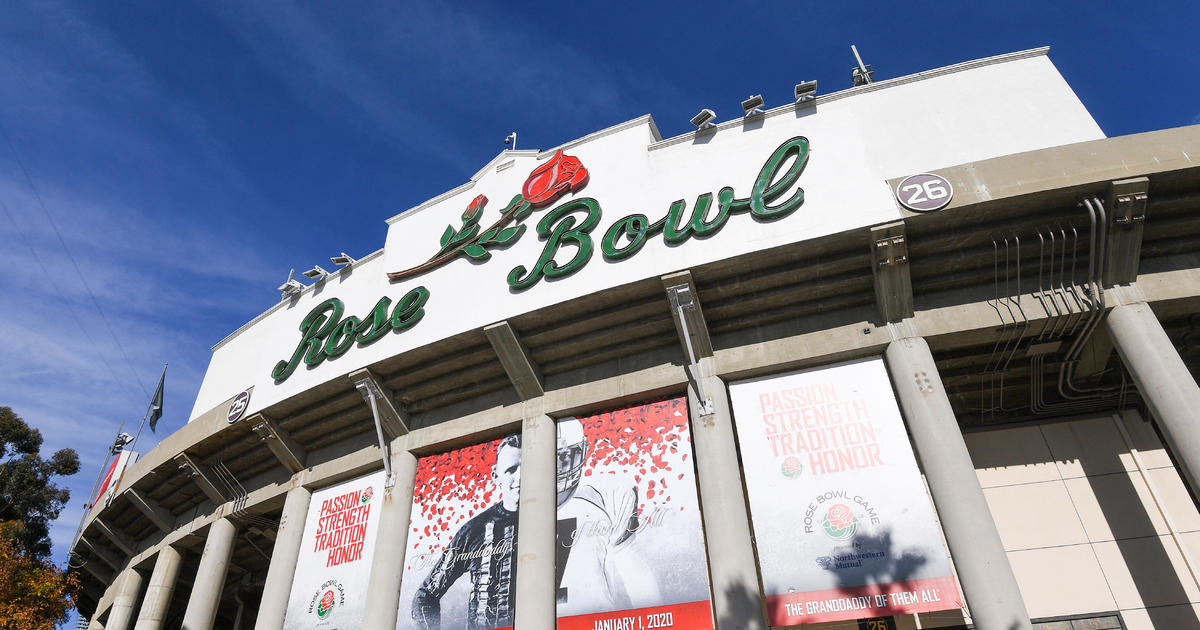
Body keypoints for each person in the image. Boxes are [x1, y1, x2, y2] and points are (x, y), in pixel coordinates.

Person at [412, 434, 520, 630]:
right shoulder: (473, 530)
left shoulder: (564, 513)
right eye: (512, 469)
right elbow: (425, 597)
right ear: (496, 477)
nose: (520, 476)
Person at [555, 418, 661, 616]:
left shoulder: (604, 492)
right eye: (556, 457)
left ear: (584, 450)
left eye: (570, 454)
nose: (564, 464)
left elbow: (630, 566)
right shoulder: (514, 506)